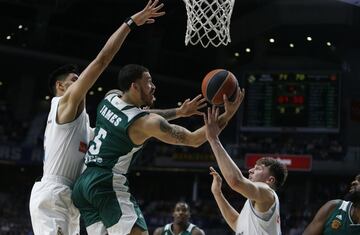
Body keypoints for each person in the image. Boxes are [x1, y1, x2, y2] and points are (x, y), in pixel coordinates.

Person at [29, 1, 165, 235]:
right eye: (74, 79)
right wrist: (130, 24)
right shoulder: (63, 105)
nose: (79, 81)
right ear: (60, 86)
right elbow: (102, 60)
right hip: (53, 193)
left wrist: (178, 113)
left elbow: (135, 118)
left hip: (72, 196)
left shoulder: (84, 125)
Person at [71, 64, 242, 235]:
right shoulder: (143, 123)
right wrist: (227, 114)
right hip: (106, 183)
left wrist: (179, 112)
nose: (153, 86)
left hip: (84, 184)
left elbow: (139, 113)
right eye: (148, 82)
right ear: (135, 86)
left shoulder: (110, 97)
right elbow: (194, 139)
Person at [204, 105, 288, 235]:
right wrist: (217, 193)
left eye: (258, 169)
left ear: (270, 180)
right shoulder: (256, 201)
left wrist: (213, 139)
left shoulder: (268, 193)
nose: (250, 170)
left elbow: (235, 181)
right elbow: (236, 223)